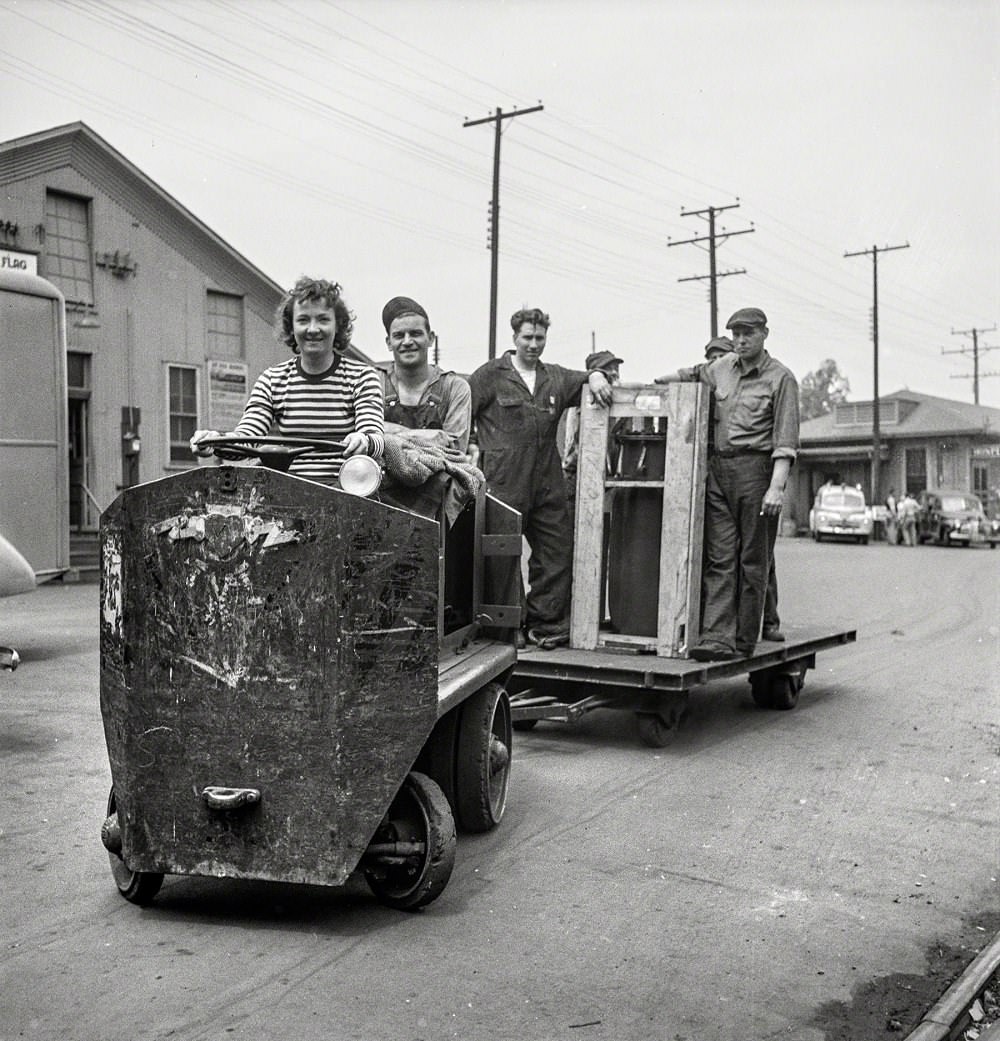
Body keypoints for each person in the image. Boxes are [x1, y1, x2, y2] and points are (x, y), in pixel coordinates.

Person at [655, 308, 799, 661]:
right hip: (720, 470)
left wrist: (776, 487)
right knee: (720, 557)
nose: (740, 340)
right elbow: (689, 374)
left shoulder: (781, 379)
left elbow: (786, 440)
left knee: (753, 559)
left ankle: (743, 640)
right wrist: (647, 383)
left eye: (748, 333)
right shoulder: (722, 368)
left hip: (756, 472)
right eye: (735, 333)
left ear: (765, 333)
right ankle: (717, 637)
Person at [468, 307, 613, 646]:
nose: (533, 344)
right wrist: (473, 448)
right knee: (502, 554)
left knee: (556, 550)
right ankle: (508, 626)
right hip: (504, 479)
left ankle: (545, 624)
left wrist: (596, 376)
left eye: (539, 338)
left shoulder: (555, 377)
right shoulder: (490, 375)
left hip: (547, 477)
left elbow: (585, 377)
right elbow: (461, 413)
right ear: (514, 337)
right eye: (527, 338)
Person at [190, 277, 384, 483]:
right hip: (290, 492)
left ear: (338, 325)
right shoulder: (272, 380)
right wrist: (214, 442)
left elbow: (376, 439)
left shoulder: (362, 377)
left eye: (323, 319)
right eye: (303, 320)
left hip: (348, 489)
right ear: (291, 327)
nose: (312, 329)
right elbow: (247, 440)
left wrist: (363, 440)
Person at [377, 296, 472, 455]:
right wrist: (436, 437)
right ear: (388, 342)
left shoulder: (454, 387)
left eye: (415, 333)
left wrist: (388, 433)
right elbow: (362, 435)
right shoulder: (374, 383)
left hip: (440, 477)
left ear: (431, 338)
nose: (407, 341)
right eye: (399, 335)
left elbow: (456, 450)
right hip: (381, 477)